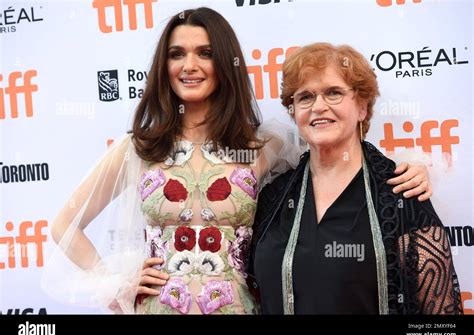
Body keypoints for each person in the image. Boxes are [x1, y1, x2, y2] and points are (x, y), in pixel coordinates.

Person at [42, 9, 432, 315]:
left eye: (205, 53)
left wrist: (410, 169)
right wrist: (116, 282)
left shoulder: (264, 144)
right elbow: (64, 226)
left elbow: (329, 166)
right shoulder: (140, 147)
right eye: (177, 54)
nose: (189, 65)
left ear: (225, 62)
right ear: (164, 65)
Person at [248, 42, 463, 314]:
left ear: (362, 107)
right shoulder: (274, 199)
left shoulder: (399, 194)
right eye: (305, 97)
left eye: (333, 93)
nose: (318, 106)